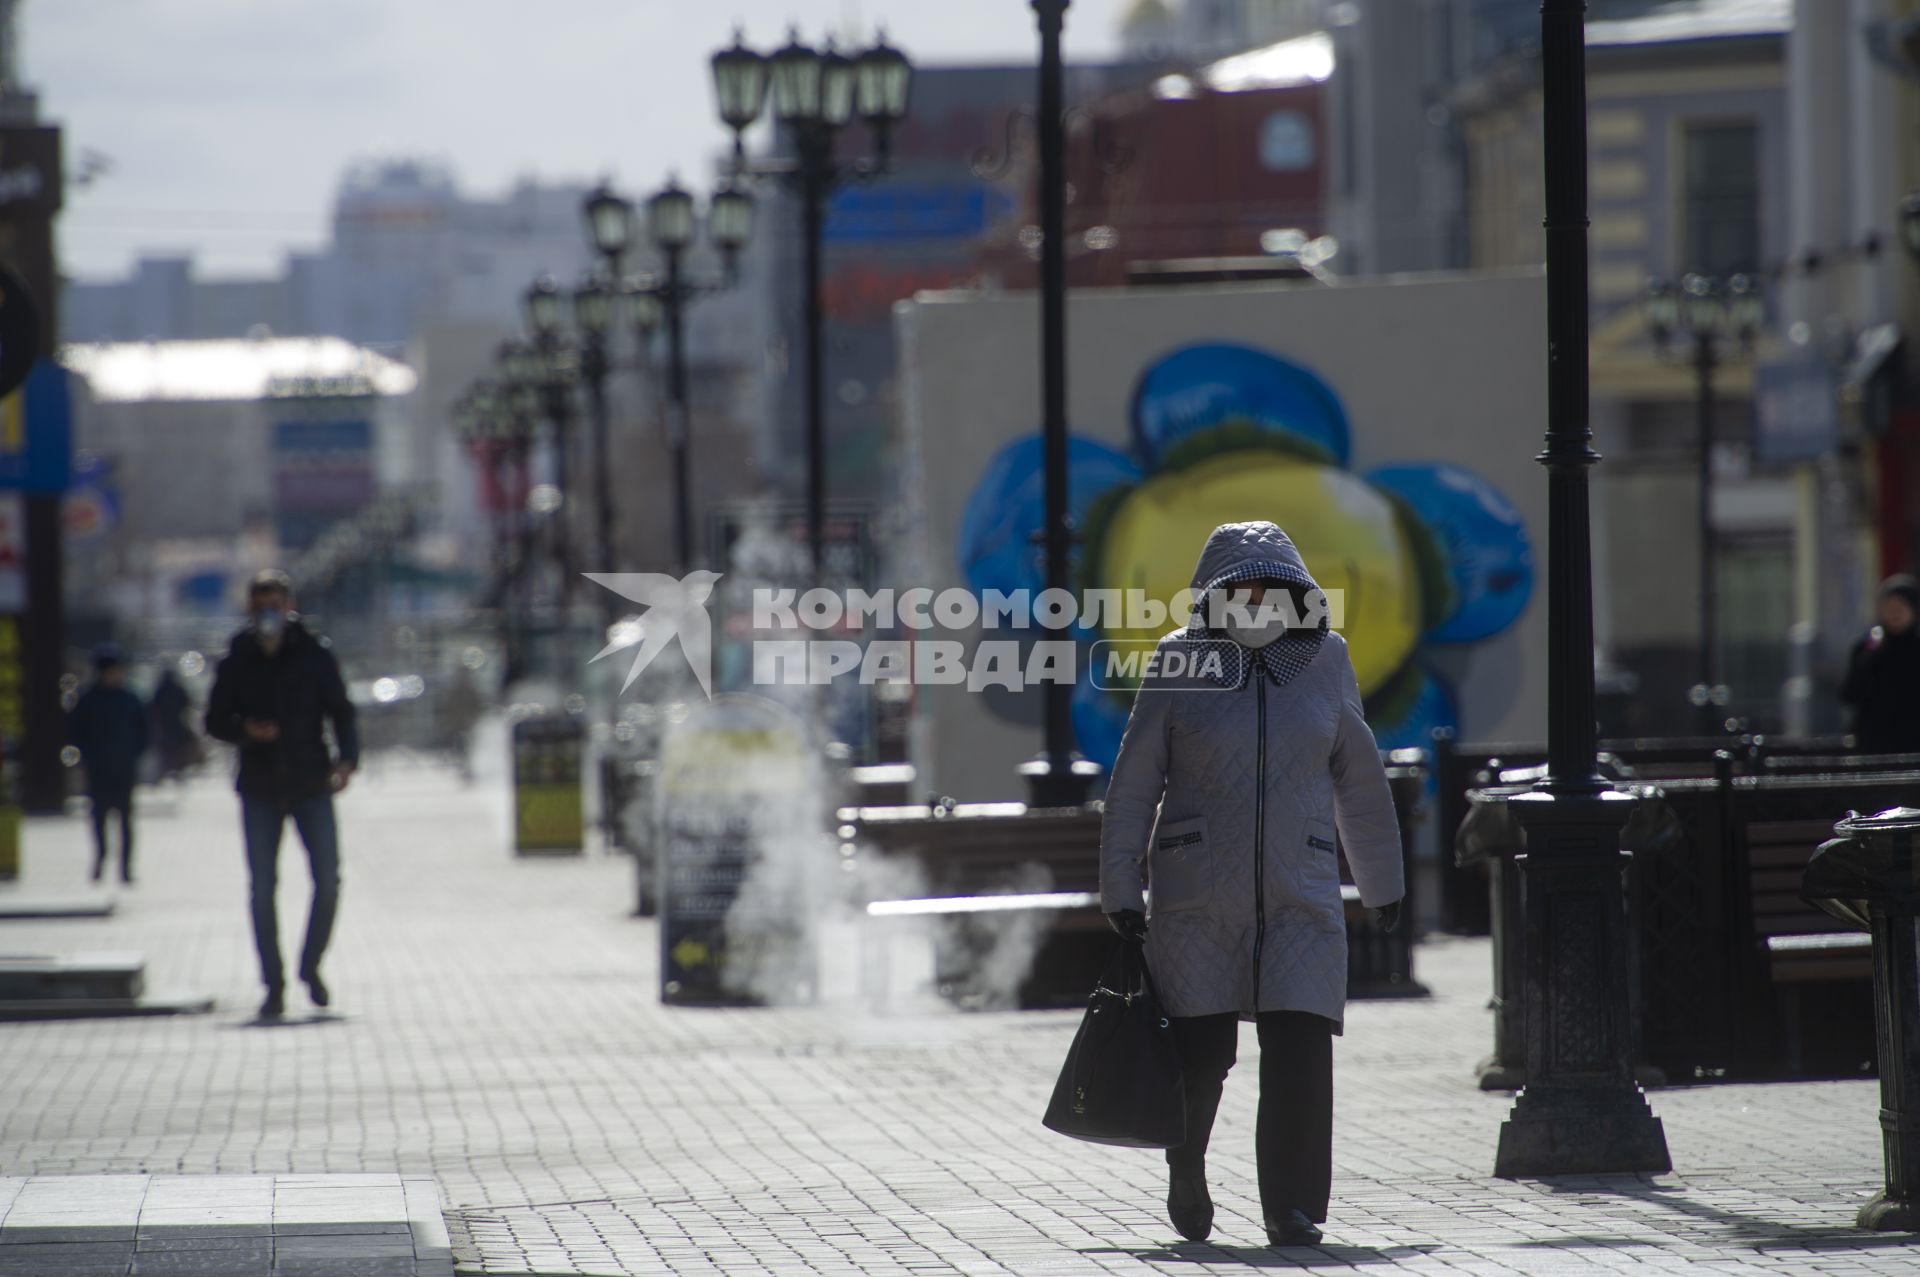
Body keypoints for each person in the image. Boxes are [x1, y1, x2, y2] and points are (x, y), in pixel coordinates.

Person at [1099, 521, 1405, 1249]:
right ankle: (1188, 1162)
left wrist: (1382, 882)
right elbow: (1135, 780)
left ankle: (1291, 1208)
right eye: (1242, 587)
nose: (1257, 599)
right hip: (1199, 893)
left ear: (1297, 593)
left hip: (1299, 889)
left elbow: (1357, 779)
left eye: (1272, 586)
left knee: (1302, 1047)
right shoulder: (1178, 661)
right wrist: (1120, 883)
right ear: (1214, 595)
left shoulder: (1327, 662)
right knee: (1202, 1053)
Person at [204, 570, 359, 1018]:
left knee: (328, 881)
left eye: (274, 604)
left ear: (289, 606)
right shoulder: (238, 658)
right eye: (259, 605)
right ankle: (273, 984)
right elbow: (214, 720)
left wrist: (347, 760)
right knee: (261, 890)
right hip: (260, 787)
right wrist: (245, 731)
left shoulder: (313, 654)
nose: (267, 613)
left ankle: (310, 967)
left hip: (311, 783)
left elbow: (342, 712)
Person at [64, 643, 149, 884]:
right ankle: (101, 859)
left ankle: (126, 868)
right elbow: (74, 732)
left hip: (124, 769)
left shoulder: (130, 699)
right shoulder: (88, 700)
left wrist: (134, 754)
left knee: (126, 820)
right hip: (98, 769)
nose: (115, 675)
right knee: (98, 818)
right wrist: (87, 757)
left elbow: (145, 731)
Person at [1839, 574, 1920, 754]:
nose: (1894, 613)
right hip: (1872, 743)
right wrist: (1870, 656)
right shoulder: (1868, 647)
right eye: (1889, 607)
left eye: (1901, 606)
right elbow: (1850, 694)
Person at [149, 666, 201, 783]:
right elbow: (188, 703)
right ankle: (178, 771)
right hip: (177, 725)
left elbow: (153, 709)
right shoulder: (177, 689)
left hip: (164, 727)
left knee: (166, 751)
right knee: (179, 750)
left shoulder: (160, 691)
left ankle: (165, 772)